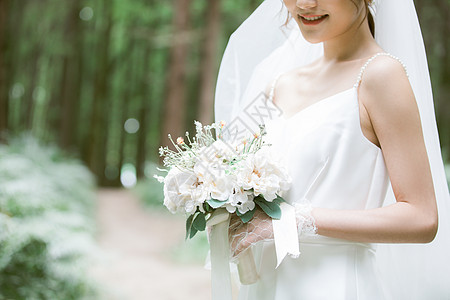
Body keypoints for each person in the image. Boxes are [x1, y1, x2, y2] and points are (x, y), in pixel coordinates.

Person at [214, 0, 450, 299]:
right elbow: (215, 165)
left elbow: (422, 218)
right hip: (268, 285)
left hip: (336, 284)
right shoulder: (277, 86)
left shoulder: (380, 75)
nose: (304, 4)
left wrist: (296, 221)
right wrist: (199, 189)